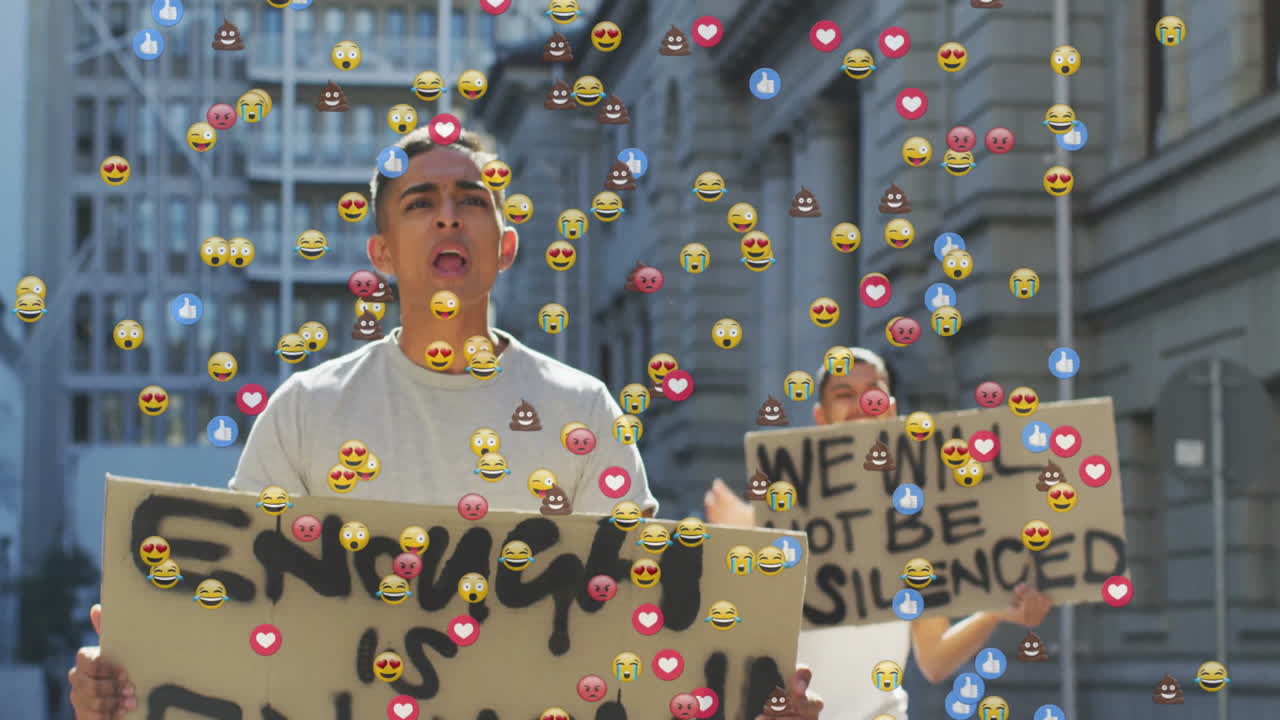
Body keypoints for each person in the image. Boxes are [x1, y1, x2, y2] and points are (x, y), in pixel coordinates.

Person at [69, 127, 822, 720]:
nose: (450, 216)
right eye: (421, 203)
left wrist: (745, 700)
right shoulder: (305, 411)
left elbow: (642, 617)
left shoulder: (582, 410)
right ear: (382, 254)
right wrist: (127, 682)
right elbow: (239, 617)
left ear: (505, 245)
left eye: (472, 200)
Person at [706, 347, 1052, 720]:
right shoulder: (775, 513)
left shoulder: (918, 517)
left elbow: (933, 659)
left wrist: (993, 613)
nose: (863, 403)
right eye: (844, 394)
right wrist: (734, 544)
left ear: (891, 408)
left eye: (874, 391)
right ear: (821, 418)